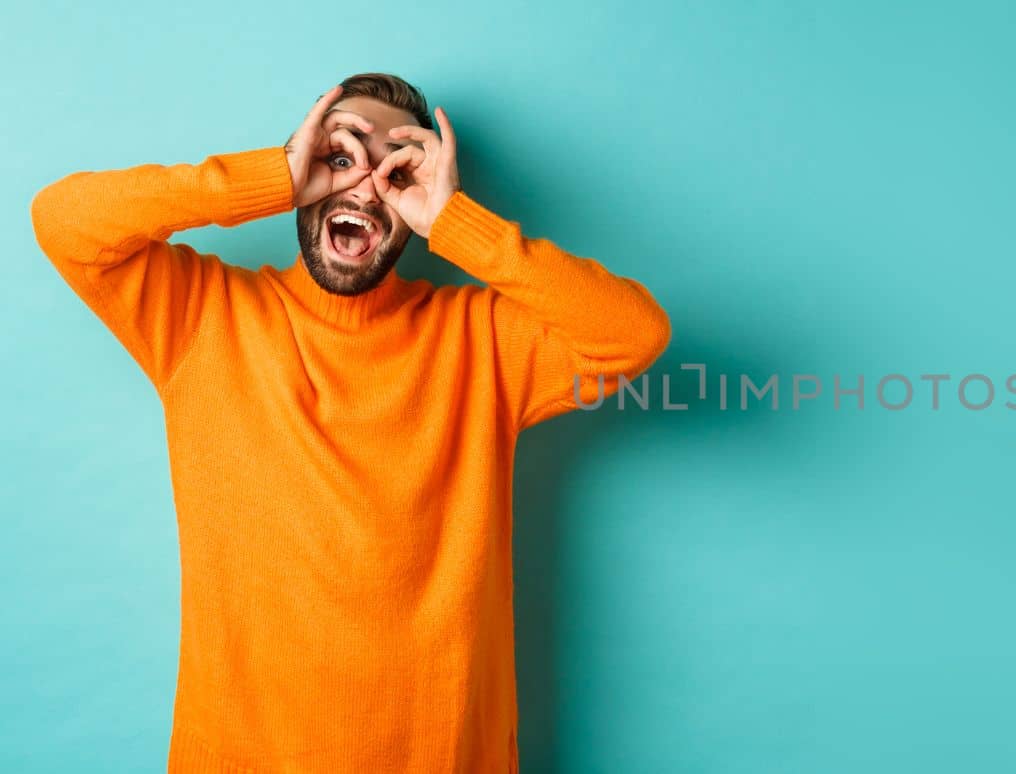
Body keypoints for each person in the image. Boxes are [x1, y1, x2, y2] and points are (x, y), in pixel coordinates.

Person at [30, 72, 671, 772]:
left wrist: (453, 220)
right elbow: (64, 219)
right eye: (341, 156)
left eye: (399, 168)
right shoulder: (199, 316)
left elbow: (631, 333)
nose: (366, 187)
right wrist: (269, 177)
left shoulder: (481, 342)